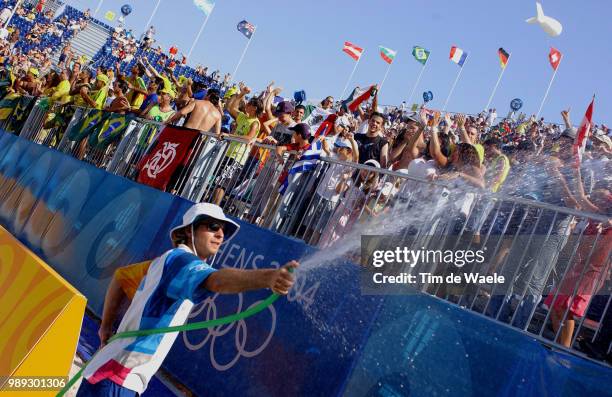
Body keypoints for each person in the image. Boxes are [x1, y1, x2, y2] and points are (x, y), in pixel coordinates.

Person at [78, 203, 298, 396]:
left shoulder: (164, 262)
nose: (221, 234)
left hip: (105, 370)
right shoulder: (181, 261)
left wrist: (106, 328)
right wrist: (268, 277)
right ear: (189, 231)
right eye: (212, 226)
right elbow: (218, 281)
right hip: (119, 377)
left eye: (224, 230)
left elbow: (119, 277)